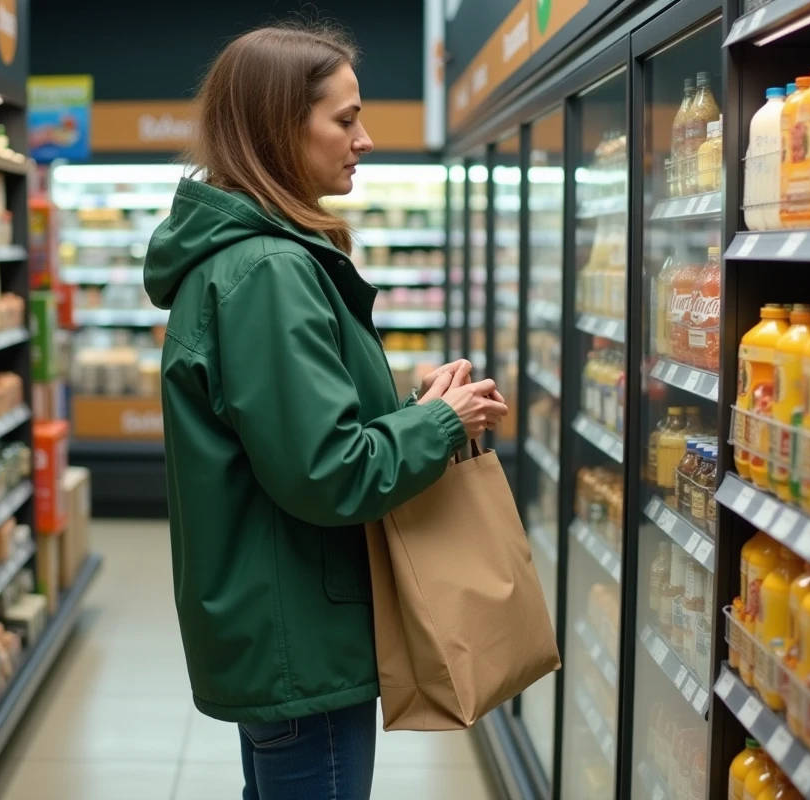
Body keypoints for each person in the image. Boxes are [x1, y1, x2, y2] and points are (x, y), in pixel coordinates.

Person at [143, 21, 508, 800]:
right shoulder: (270, 270)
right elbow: (326, 472)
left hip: (278, 614)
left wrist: (416, 410)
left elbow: (297, 434)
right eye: (345, 119)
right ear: (281, 126)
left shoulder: (245, 260)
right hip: (301, 630)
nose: (365, 139)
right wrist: (442, 425)